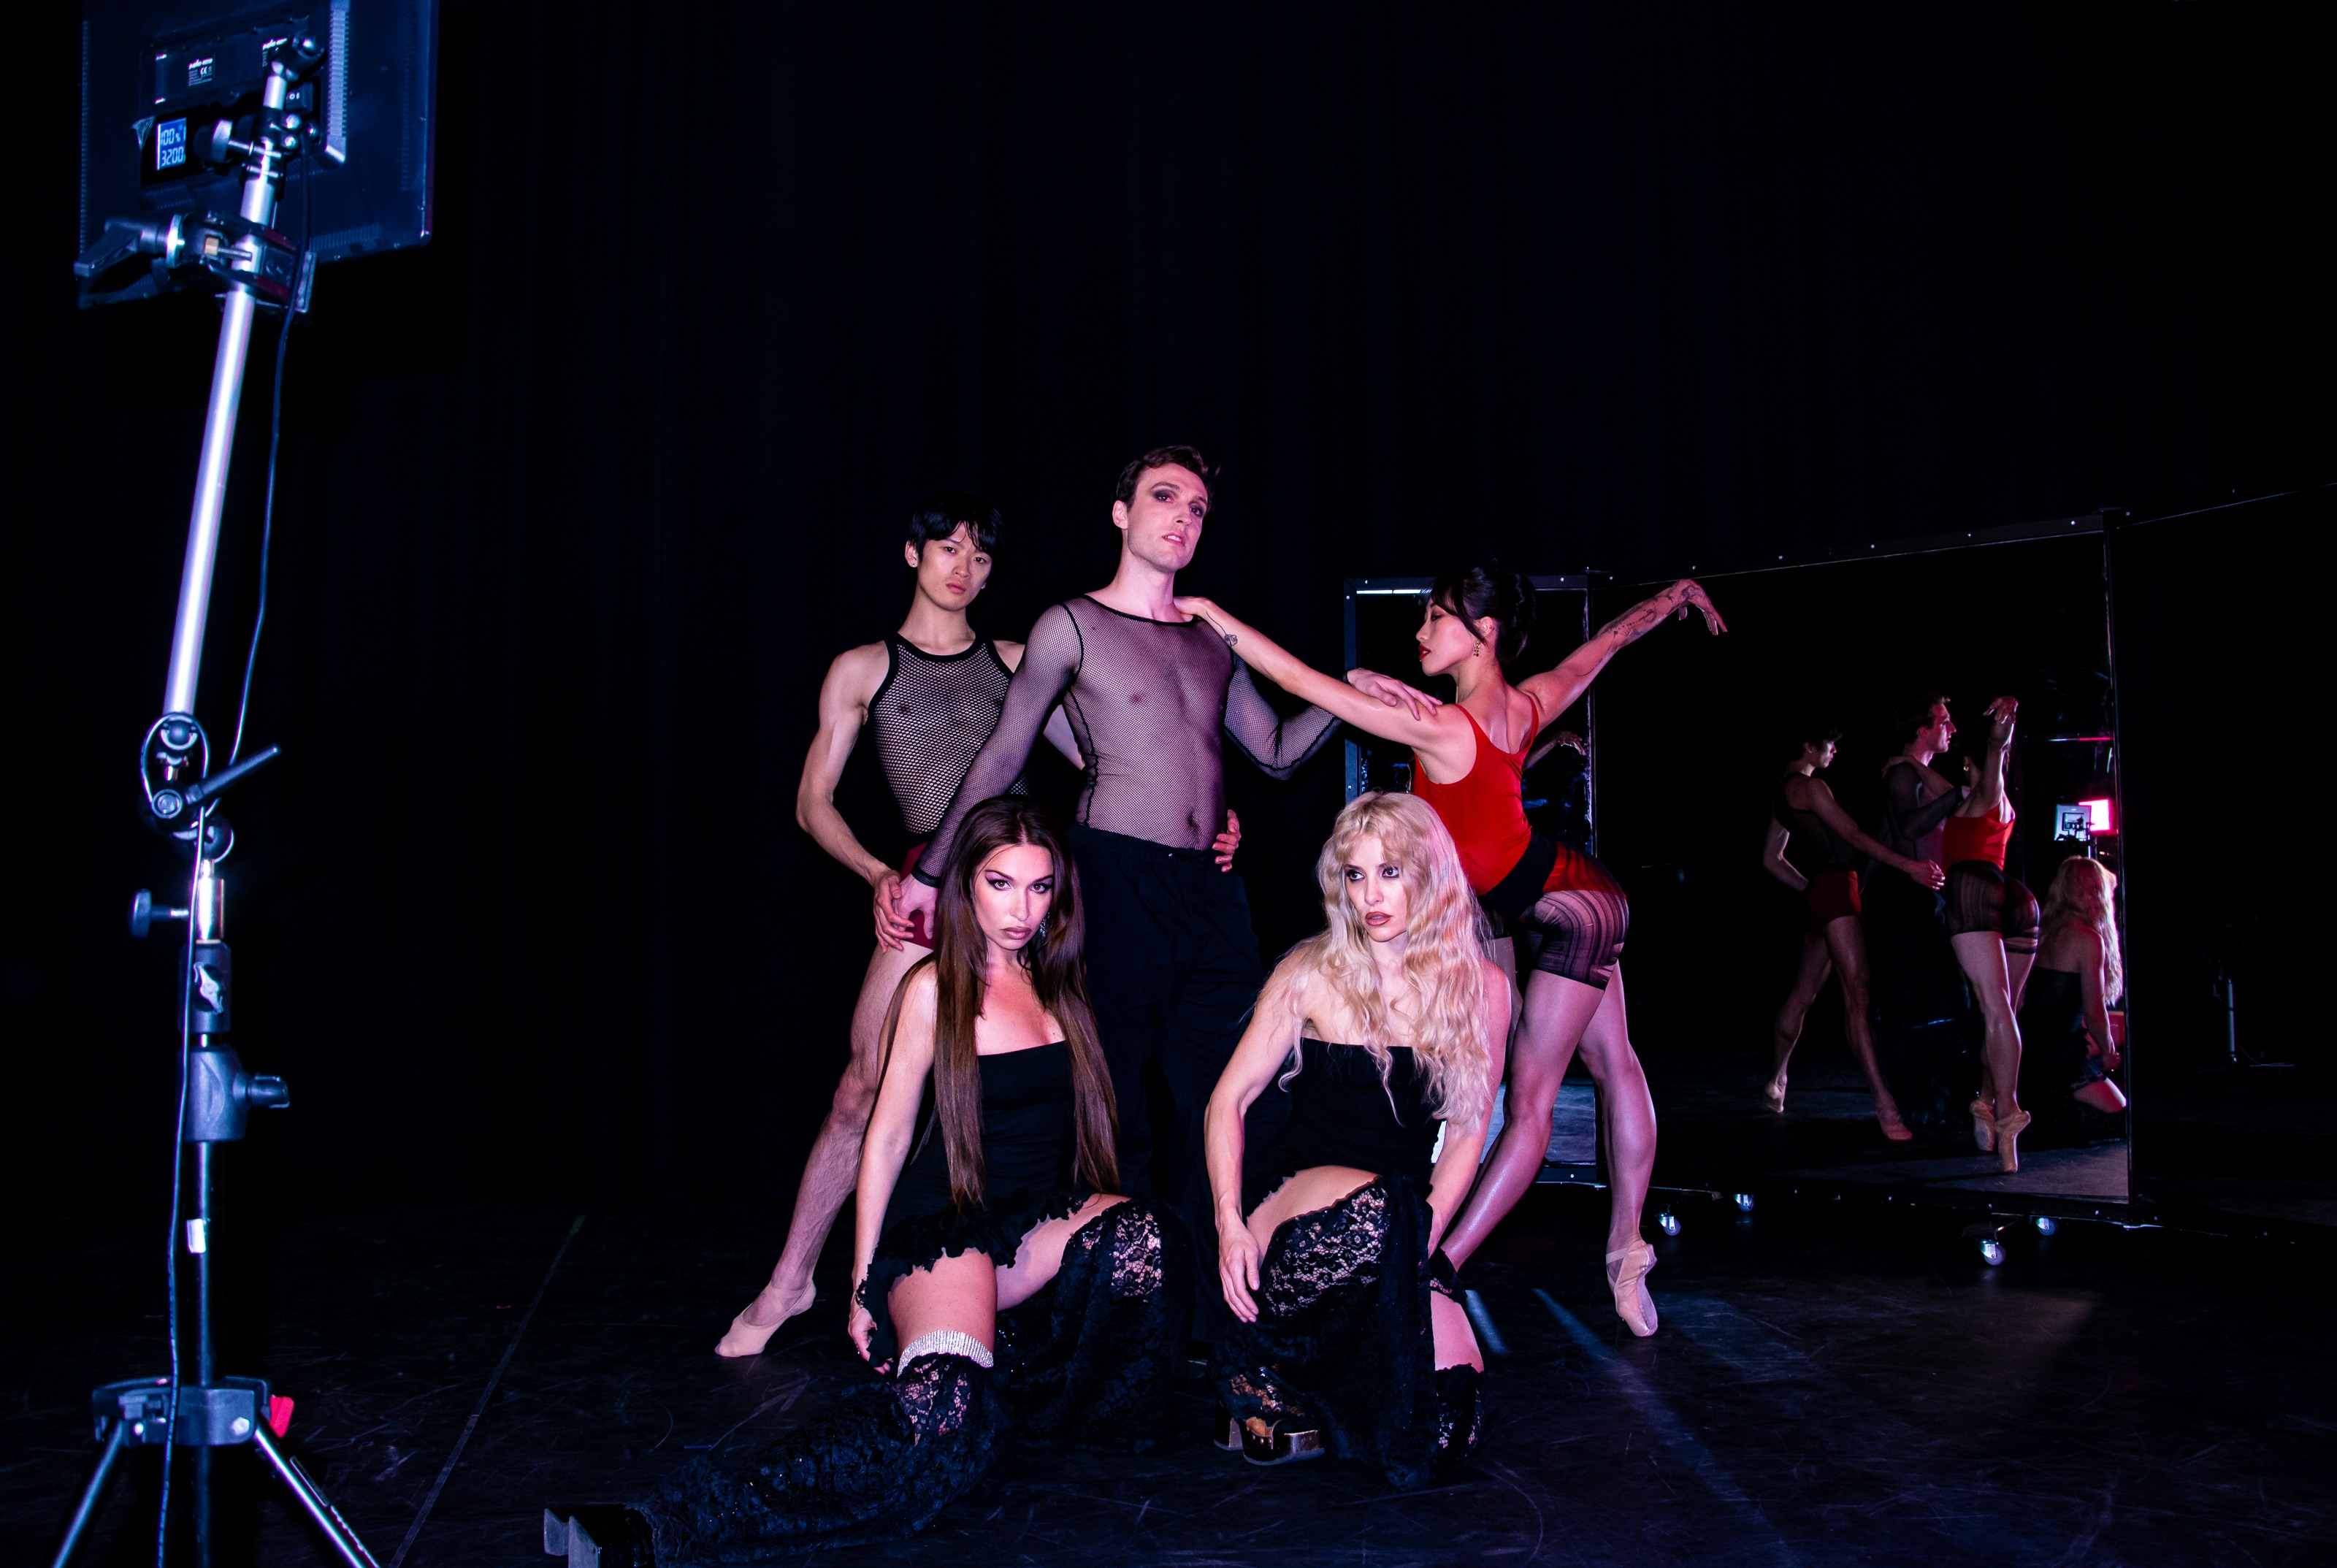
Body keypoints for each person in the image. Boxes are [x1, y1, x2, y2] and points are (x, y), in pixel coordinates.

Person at [718, 493, 1237, 1356]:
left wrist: (1209, 810)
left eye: (981, 555)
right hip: (928, 883)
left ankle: (1055, 1275)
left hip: (1024, 889)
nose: (964, 567)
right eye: (948, 548)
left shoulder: (1015, 659)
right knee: (861, 1088)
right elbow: (812, 802)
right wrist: (881, 874)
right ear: (912, 553)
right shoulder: (863, 668)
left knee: (1102, 1067)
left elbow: (1117, 754)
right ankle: (791, 1281)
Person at [1174, 566, 1722, 1338]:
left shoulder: (1445, 729)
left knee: (1536, 1097)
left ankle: (1449, 1261)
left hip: (1570, 904)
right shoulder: (1523, 703)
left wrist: (1210, 611)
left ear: (1483, 632)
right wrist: (1674, 597)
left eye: (1436, 618)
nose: (1421, 632)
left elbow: (1299, 680)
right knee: (1598, 1064)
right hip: (1531, 892)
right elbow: (1604, 644)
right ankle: (1611, 1247)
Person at [636, 799, 1190, 1559]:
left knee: (1151, 1236)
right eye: (1000, 883)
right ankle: (678, 1522)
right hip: (946, 1228)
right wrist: (864, 1279)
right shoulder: (935, 986)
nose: (1021, 909)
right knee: (943, 1415)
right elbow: (888, 1135)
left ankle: (1041, 1406)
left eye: (1039, 887)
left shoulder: (1061, 980)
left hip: (1033, 1224)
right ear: (966, 885)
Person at [893, 447, 1373, 1320]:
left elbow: (1271, 753)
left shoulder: (1210, 638)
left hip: (1210, 894)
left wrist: (1348, 696)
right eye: (1164, 497)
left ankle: (1214, 1304)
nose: (1182, 517)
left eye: (1196, 508)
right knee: (1114, 1099)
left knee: (1230, 1090)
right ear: (1120, 513)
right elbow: (1002, 754)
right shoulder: (1071, 625)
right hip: (1113, 878)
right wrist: (931, 872)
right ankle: (1125, 1305)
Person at [1203, 793, 1507, 1485]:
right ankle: (1260, 1361)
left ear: (1430, 874)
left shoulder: (1482, 987)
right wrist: (1228, 1223)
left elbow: (1467, 1134)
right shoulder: (1310, 971)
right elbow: (1228, 1098)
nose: (1370, 894)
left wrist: (1417, 1247)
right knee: (1381, 1210)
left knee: (1446, 1422)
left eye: (1390, 872)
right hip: (1297, 1208)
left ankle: (1306, 1381)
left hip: (1400, 1223)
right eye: (1355, 874)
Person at [1759, 724, 1946, 1137]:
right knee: (1857, 995)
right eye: (1829, 744)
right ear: (1808, 746)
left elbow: (1772, 860)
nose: (1834, 752)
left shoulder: (1782, 793)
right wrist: (1910, 866)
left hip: (1824, 894)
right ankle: (1884, 1104)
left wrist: (1812, 892)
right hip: (1835, 892)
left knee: (1803, 994)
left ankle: (1777, 1080)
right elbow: (1855, 837)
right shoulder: (1812, 787)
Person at [1942, 696, 2040, 1170]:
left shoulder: (1985, 795)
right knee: (2002, 1015)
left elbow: (1996, 752)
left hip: (1975, 889)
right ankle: (1986, 1100)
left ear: (1968, 762)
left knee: (1996, 1010)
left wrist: (2001, 732)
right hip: (2017, 898)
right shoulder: (1987, 803)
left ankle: (2008, 1112)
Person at [2019, 856, 2129, 1131]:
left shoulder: (2046, 930)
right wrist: (2109, 1052)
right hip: (2056, 1056)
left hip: (2029, 1048)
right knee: (2121, 1118)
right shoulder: (2087, 938)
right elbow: (2094, 1012)